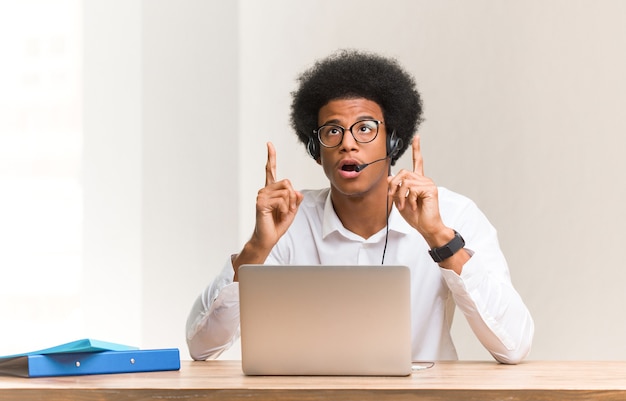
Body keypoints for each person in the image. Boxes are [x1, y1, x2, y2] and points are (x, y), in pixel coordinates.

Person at [186, 49, 534, 364]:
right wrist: (257, 249)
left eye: (365, 128)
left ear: (392, 140)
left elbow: (514, 345)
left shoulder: (452, 214)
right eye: (332, 132)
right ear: (315, 148)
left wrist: (439, 236)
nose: (348, 144)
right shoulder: (288, 220)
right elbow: (202, 346)